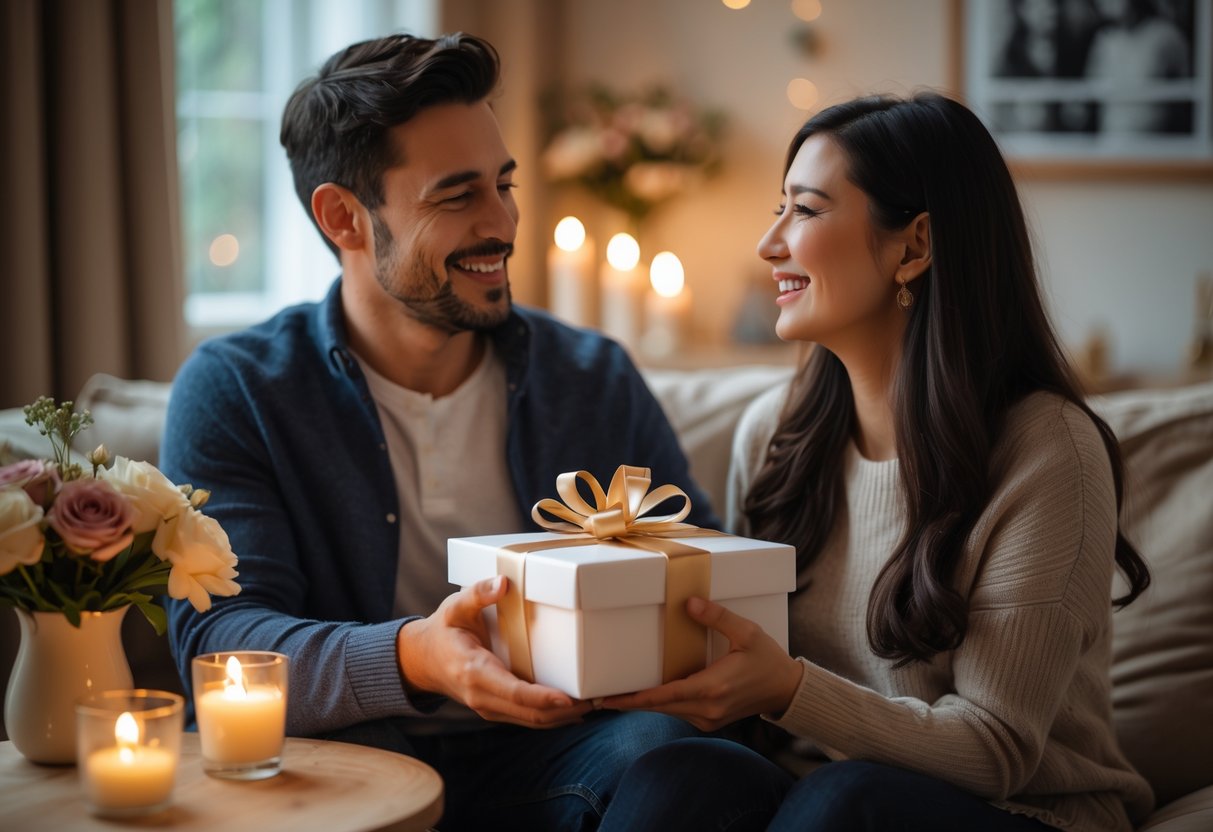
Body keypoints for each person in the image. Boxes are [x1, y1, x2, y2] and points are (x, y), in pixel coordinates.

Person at [160, 32, 716, 832]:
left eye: (504, 184)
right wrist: (414, 656)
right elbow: (221, 641)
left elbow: (694, 560)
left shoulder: (591, 377)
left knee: (678, 760)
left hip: (560, 754)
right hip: (352, 764)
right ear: (344, 217)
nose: (503, 223)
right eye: (457, 196)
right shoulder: (238, 390)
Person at [599, 92, 1155, 832]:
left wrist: (791, 687)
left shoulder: (1045, 450)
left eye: (805, 210)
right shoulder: (773, 434)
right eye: (780, 208)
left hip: (1020, 812)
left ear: (914, 245)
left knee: (845, 800)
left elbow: (997, 751)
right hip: (810, 800)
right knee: (677, 772)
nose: (768, 245)